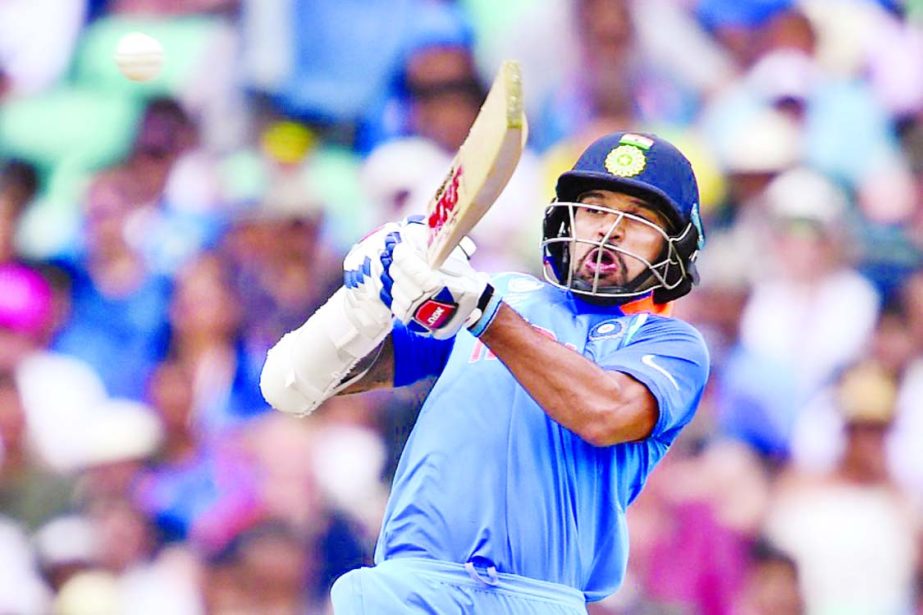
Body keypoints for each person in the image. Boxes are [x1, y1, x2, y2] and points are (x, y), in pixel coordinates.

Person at [260, 131, 710, 613]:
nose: (608, 230)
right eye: (596, 209)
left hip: (533, 598)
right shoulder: (505, 290)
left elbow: (604, 413)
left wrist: (484, 312)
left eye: (638, 218)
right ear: (568, 217)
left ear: (674, 247)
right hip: (408, 588)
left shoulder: (669, 344)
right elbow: (325, 382)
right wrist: (366, 303)